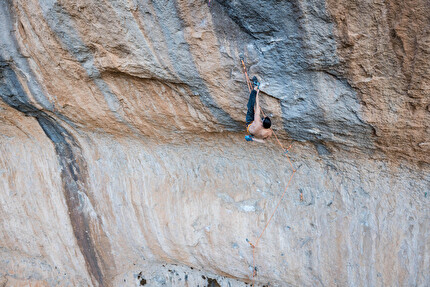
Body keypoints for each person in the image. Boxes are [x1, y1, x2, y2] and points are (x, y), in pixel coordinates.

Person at [245, 77, 272, 142]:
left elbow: (257, 105)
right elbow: (264, 141)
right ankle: (251, 136)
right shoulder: (269, 132)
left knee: (250, 106)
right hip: (253, 132)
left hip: (249, 125)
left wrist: (257, 92)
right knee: (253, 110)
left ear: (262, 122)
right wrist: (253, 139)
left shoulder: (257, 121)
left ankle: (255, 87)